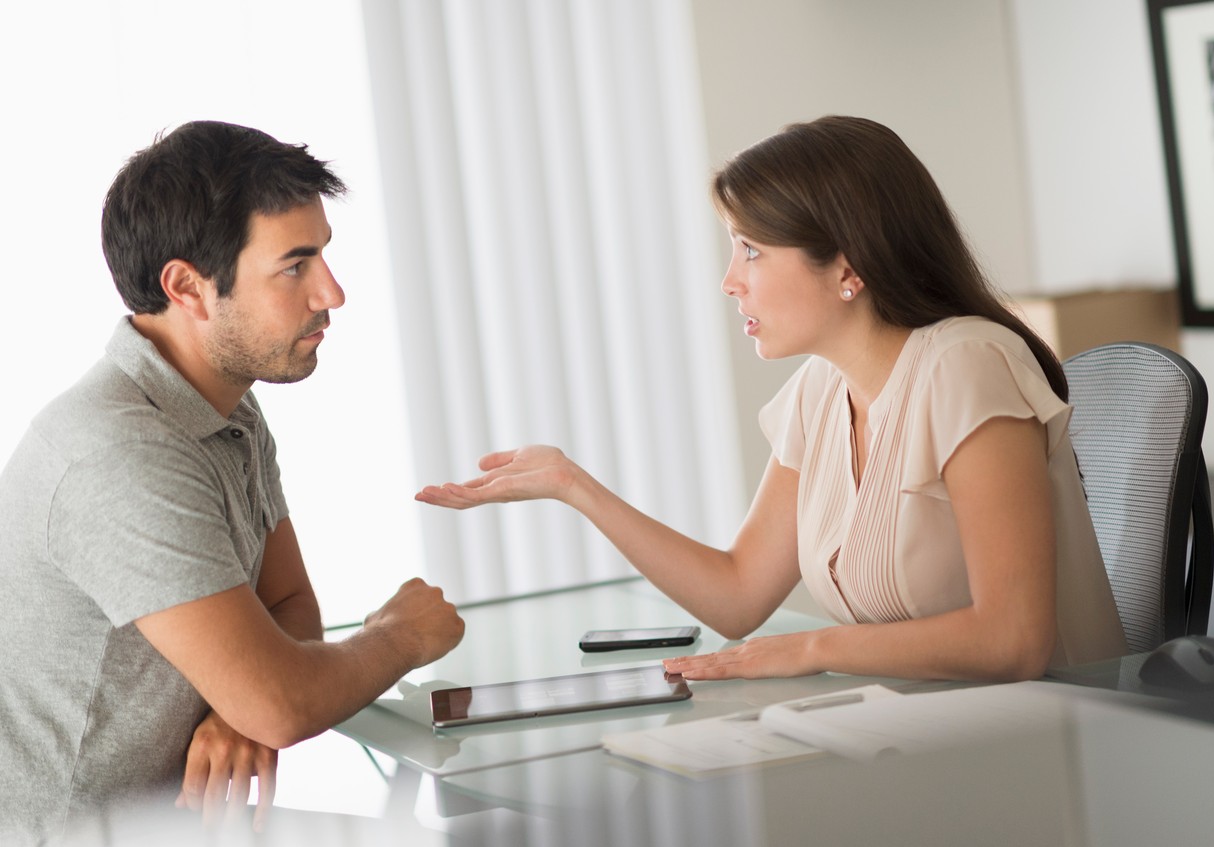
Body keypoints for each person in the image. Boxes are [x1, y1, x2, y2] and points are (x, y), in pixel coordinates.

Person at [415, 115, 1127, 684]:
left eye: (750, 249)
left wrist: (813, 648)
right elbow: (738, 594)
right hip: (927, 738)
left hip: (1056, 744)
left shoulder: (968, 365)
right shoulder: (818, 394)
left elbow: (1013, 640)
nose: (731, 280)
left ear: (847, 265)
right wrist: (574, 485)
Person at [0, 121, 464, 844]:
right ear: (187, 286)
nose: (332, 293)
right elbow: (281, 702)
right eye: (295, 266)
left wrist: (239, 708)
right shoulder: (118, 451)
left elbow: (287, 603)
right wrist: (398, 636)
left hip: (169, 826)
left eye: (325, 259)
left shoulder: (226, 405)